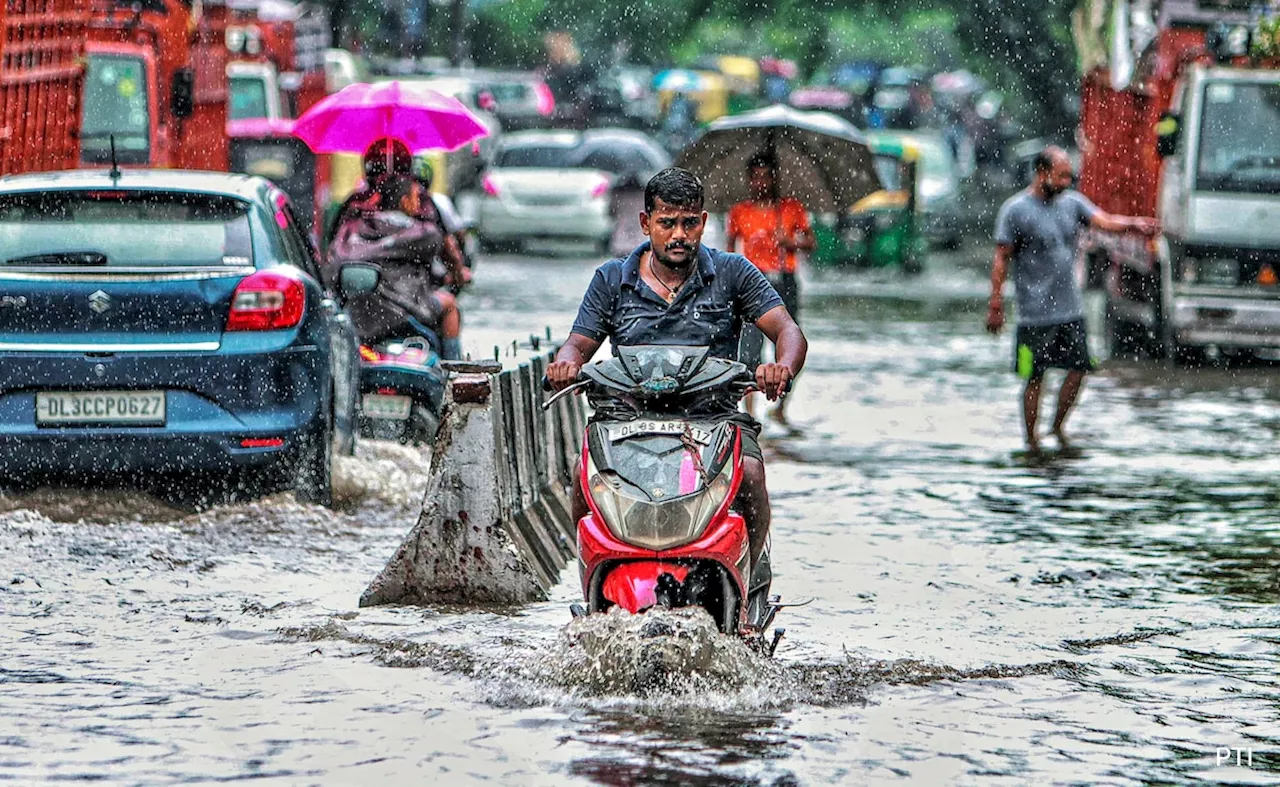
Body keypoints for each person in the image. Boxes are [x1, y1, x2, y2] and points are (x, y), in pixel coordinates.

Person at [546, 167, 808, 567]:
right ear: (645, 222)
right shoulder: (612, 279)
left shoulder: (733, 273)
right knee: (585, 477)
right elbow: (577, 344)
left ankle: (751, 580)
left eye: (689, 223)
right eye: (667, 223)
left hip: (714, 417)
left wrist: (781, 369)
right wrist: (565, 365)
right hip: (625, 419)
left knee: (753, 474)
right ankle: (592, 578)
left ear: (703, 223)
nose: (678, 235)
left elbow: (788, 331)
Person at [987, 145, 1159, 453]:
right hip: (1033, 314)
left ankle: (1057, 429)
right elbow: (1001, 259)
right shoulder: (1015, 210)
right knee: (1034, 377)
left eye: (1069, 176)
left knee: (1080, 369)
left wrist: (1134, 224)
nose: (1067, 182)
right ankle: (1031, 440)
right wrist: (996, 304)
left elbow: (1103, 220)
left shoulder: (1072, 204)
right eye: (1061, 176)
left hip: (1070, 310)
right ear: (1041, 173)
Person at [328, 175, 464, 360]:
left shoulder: (356, 228)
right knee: (449, 304)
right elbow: (446, 250)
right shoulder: (423, 233)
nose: (418, 203)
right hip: (409, 308)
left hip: (362, 312)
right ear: (405, 201)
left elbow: (333, 266)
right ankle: (453, 367)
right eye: (415, 197)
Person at [725, 152, 815, 425]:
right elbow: (730, 251)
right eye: (756, 177)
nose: (761, 182)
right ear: (749, 180)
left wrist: (790, 241)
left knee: (789, 343)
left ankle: (780, 406)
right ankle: (750, 412)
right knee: (749, 350)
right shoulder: (739, 212)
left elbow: (811, 242)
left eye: (766, 176)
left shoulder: (790, 209)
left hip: (784, 279)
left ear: (774, 178)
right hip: (753, 281)